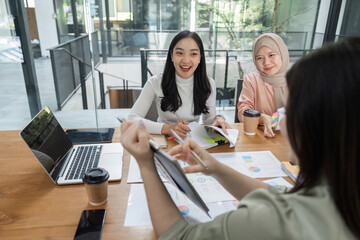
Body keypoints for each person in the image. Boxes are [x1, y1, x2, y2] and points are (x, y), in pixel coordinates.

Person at [120, 37, 360, 239]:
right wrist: (215, 168)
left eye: (291, 107)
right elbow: (278, 194)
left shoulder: (272, 220)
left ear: (318, 125)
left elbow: (177, 236)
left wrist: (146, 164)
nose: (281, 117)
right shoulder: (339, 195)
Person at [128, 30, 230, 138]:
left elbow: (208, 119)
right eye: (179, 53)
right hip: (164, 140)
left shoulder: (208, 83)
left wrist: (217, 119)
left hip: (193, 142)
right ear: (172, 55)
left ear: (200, 57)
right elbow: (131, 119)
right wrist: (169, 129)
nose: (186, 60)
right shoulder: (155, 82)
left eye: (193, 54)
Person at [237, 33, 289, 137]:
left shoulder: (298, 79)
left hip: (291, 139)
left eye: (271, 55)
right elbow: (243, 112)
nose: (266, 63)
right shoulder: (252, 80)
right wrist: (260, 117)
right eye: (259, 58)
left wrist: (272, 119)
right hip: (260, 137)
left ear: (282, 54)